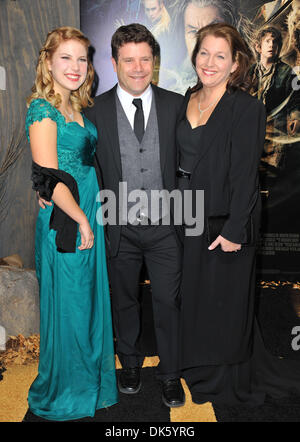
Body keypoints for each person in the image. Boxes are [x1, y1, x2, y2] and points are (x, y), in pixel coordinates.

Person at [177, 22, 300, 406]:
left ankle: (223, 378)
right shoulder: (187, 97)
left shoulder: (248, 107)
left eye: (220, 56)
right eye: (204, 53)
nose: (209, 62)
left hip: (226, 222)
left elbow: (246, 175)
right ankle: (196, 366)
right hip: (187, 216)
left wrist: (234, 231)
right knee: (195, 298)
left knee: (224, 303)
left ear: (235, 64)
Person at [84, 23, 185, 408]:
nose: (138, 67)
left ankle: (171, 374)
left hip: (166, 228)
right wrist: (49, 190)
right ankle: (129, 363)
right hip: (118, 228)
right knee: (123, 300)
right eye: (129, 60)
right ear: (114, 62)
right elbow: (81, 163)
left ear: (154, 62)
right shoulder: (93, 111)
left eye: (145, 58)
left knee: (168, 302)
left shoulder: (177, 105)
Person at [25, 26, 118, 421]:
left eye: (82, 58)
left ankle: (91, 386)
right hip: (67, 219)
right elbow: (47, 177)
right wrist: (81, 219)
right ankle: (68, 390)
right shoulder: (42, 109)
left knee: (88, 302)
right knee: (72, 305)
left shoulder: (77, 108)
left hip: (86, 210)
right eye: (66, 57)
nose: (76, 66)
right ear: (48, 61)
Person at [249, 26, 300, 173]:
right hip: (251, 132)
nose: (272, 45)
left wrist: (295, 117)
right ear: (259, 47)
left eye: (275, 42)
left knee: (272, 174)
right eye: (267, 41)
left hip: (275, 132)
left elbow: (296, 99)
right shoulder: (249, 72)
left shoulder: (287, 72)